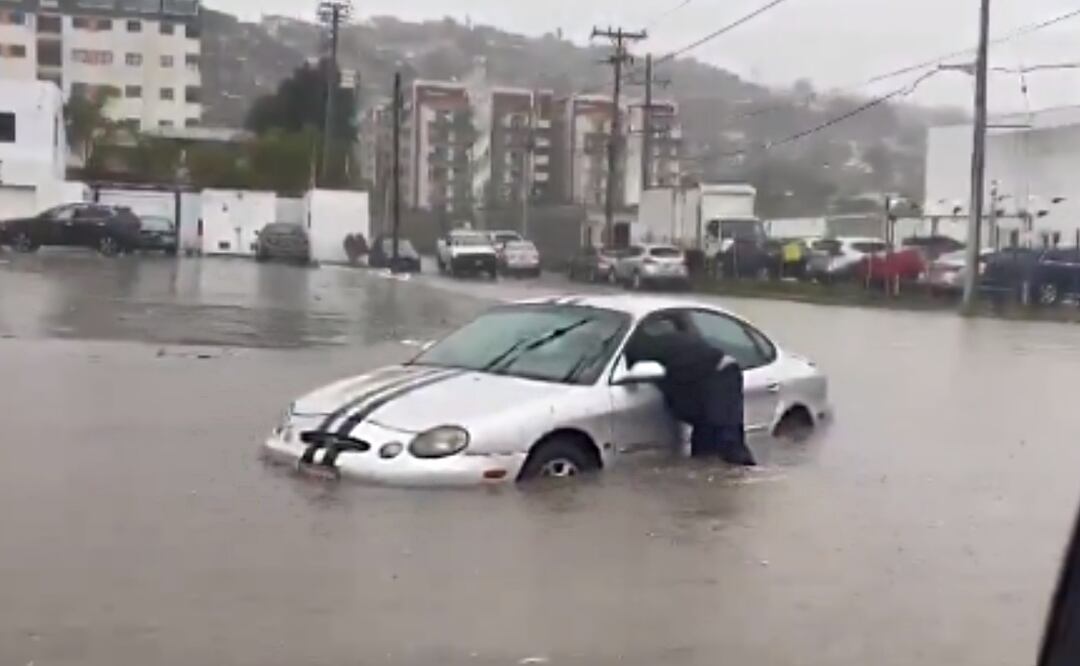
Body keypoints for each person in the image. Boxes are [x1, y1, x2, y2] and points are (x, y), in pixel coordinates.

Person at [625, 320, 756, 466]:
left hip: (720, 375)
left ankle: (738, 472)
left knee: (725, 436)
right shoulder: (656, 344)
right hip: (707, 377)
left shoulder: (647, 347)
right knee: (706, 437)